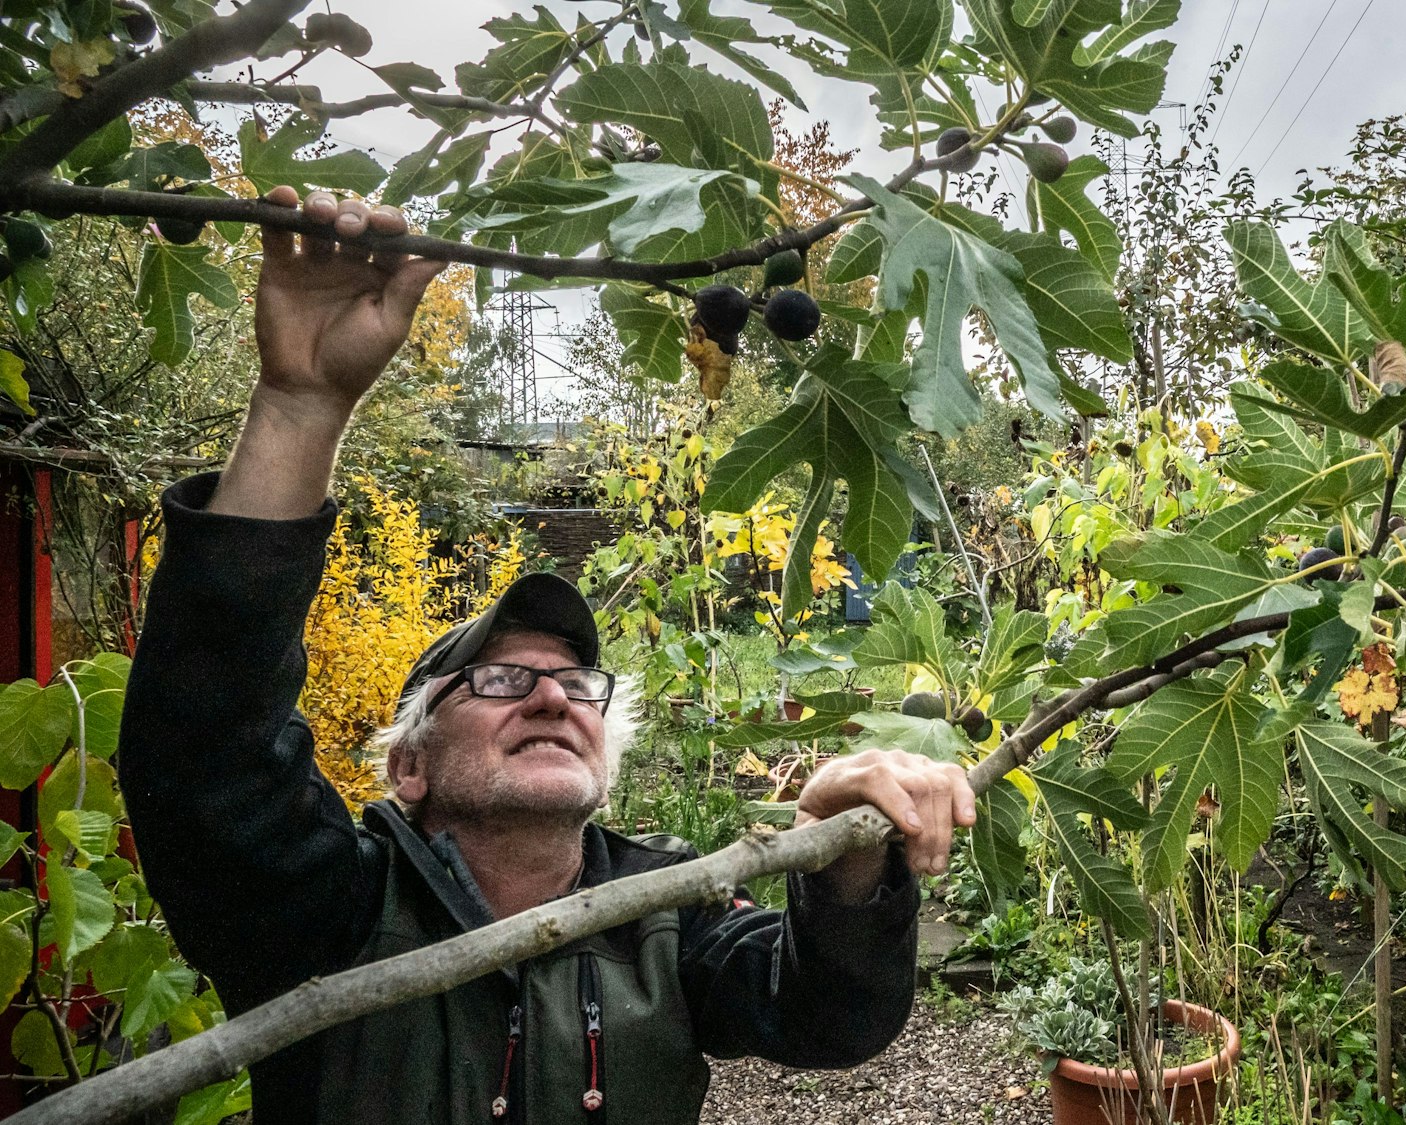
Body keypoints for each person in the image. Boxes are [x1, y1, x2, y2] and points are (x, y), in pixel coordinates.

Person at [117, 187, 976, 1124]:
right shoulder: (335, 909)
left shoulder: (665, 918)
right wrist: (300, 401)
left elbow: (827, 1013)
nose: (551, 699)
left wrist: (844, 859)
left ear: (604, 755)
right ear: (409, 764)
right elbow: (207, 754)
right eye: (498, 680)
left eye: (576, 684)